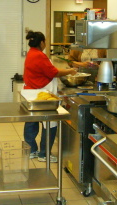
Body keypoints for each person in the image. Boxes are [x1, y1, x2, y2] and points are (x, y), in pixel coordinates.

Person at [23, 30, 77, 163]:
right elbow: (53, 72)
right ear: (41, 42)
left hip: (30, 93)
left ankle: (31, 150)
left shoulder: (31, 53)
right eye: (45, 41)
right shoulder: (40, 56)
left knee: (31, 122)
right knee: (50, 123)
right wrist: (70, 71)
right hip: (42, 95)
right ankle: (44, 154)